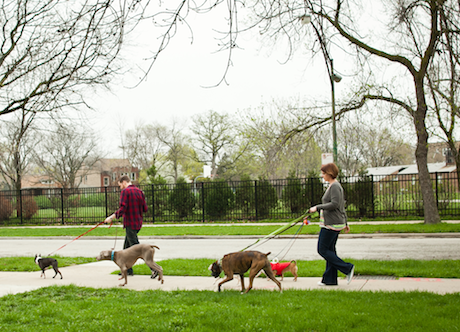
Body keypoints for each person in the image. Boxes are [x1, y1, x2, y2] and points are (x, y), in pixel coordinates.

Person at [307, 163, 354, 286]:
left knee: (322, 250)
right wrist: (346, 222)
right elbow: (341, 206)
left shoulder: (335, 186)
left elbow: (335, 204)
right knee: (330, 251)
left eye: (323, 173)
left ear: (330, 173)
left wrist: (317, 207)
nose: (322, 176)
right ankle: (330, 279)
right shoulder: (333, 186)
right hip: (332, 223)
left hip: (331, 224)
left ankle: (347, 268)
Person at [105, 175, 148, 276]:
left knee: (138, 249)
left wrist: (112, 217)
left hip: (130, 223)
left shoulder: (125, 192)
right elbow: (145, 209)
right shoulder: (140, 192)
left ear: (124, 182)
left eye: (120, 186)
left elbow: (123, 207)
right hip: (138, 223)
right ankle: (127, 270)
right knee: (126, 248)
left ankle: (154, 269)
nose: (120, 188)